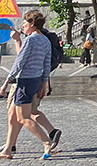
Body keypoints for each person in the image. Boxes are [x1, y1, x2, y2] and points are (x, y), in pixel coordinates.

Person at [0, 11, 61, 159]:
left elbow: (19, 62)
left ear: (32, 24)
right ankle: (8, 150)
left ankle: (47, 142)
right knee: (13, 116)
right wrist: (44, 83)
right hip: (36, 80)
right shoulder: (45, 40)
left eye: (25, 23)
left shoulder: (30, 40)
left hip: (25, 81)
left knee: (23, 118)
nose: (23, 26)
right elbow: (46, 64)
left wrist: (6, 83)